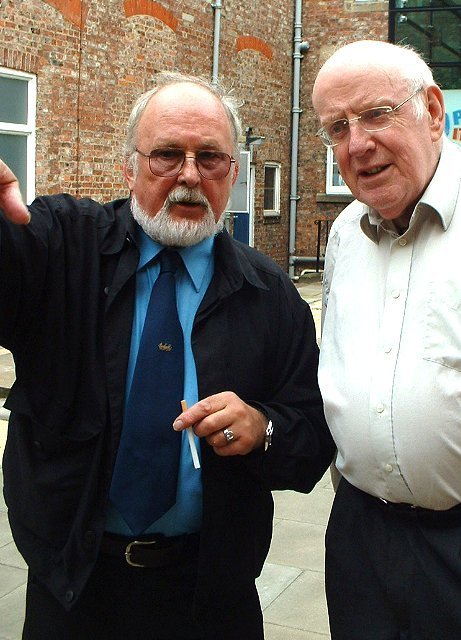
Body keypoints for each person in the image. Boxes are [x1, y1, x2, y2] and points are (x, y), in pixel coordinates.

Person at [0, 71, 335, 640]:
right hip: (73, 587)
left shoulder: (271, 295)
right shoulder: (63, 248)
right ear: (128, 167)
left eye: (209, 158)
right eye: (166, 156)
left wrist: (264, 428)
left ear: (233, 172)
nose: (188, 176)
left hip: (211, 596)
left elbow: (313, 439)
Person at [313, 39, 461, 639]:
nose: (356, 145)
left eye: (377, 114)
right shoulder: (343, 236)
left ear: (433, 111)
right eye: (337, 127)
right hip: (361, 538)